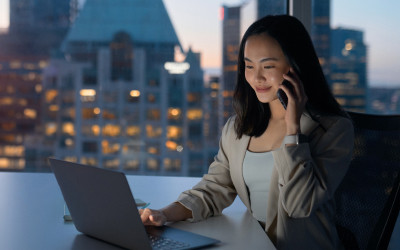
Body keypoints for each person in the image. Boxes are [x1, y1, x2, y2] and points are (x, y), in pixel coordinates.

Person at [140, 15, 354, 249]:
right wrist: (163, 214)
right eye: (249, 66)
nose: (256, 77)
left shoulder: (332, 129)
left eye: (268, 66)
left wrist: (293, 130)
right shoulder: (239, 127)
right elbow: (214, 189)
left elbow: (298, 206)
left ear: (296, 66)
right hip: (251, 242)